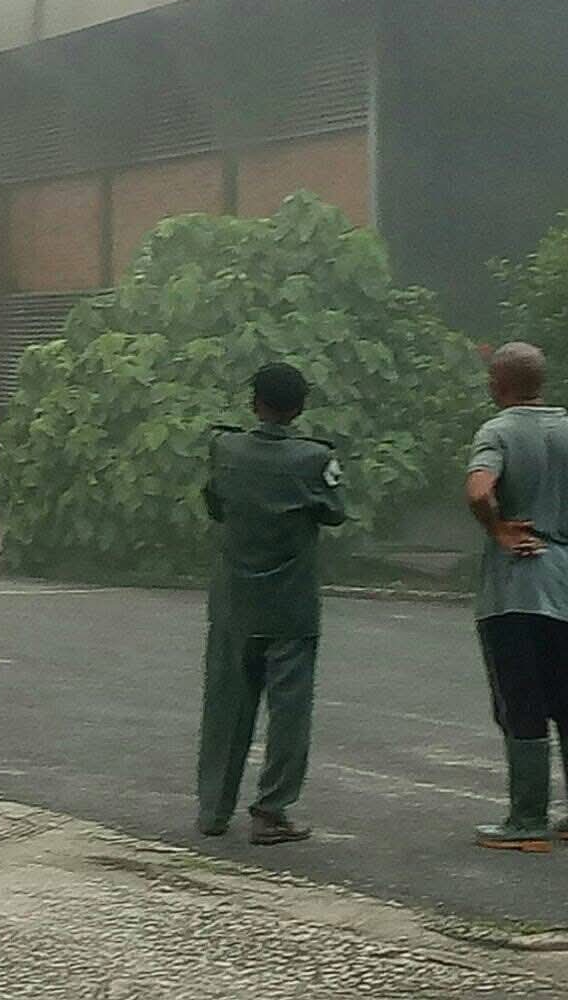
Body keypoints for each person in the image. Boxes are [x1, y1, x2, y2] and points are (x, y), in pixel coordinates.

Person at [196, 362, 346, 844]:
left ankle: (213, 811)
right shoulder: (313, 458)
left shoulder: (224, 448)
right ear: (299, 407)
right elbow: (335, 513)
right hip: (291, 605)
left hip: (234, 601)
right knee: (289, 713)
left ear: (253, 402)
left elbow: (215, 505)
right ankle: (271, 811)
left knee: (224, 707)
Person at [465, 341, 568, 852]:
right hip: (565, 584)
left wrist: (500, 529)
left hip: (517, 589)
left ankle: (527, 820)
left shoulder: (497, 431)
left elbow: (480, 490)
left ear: (498, 385)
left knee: (521, 702)